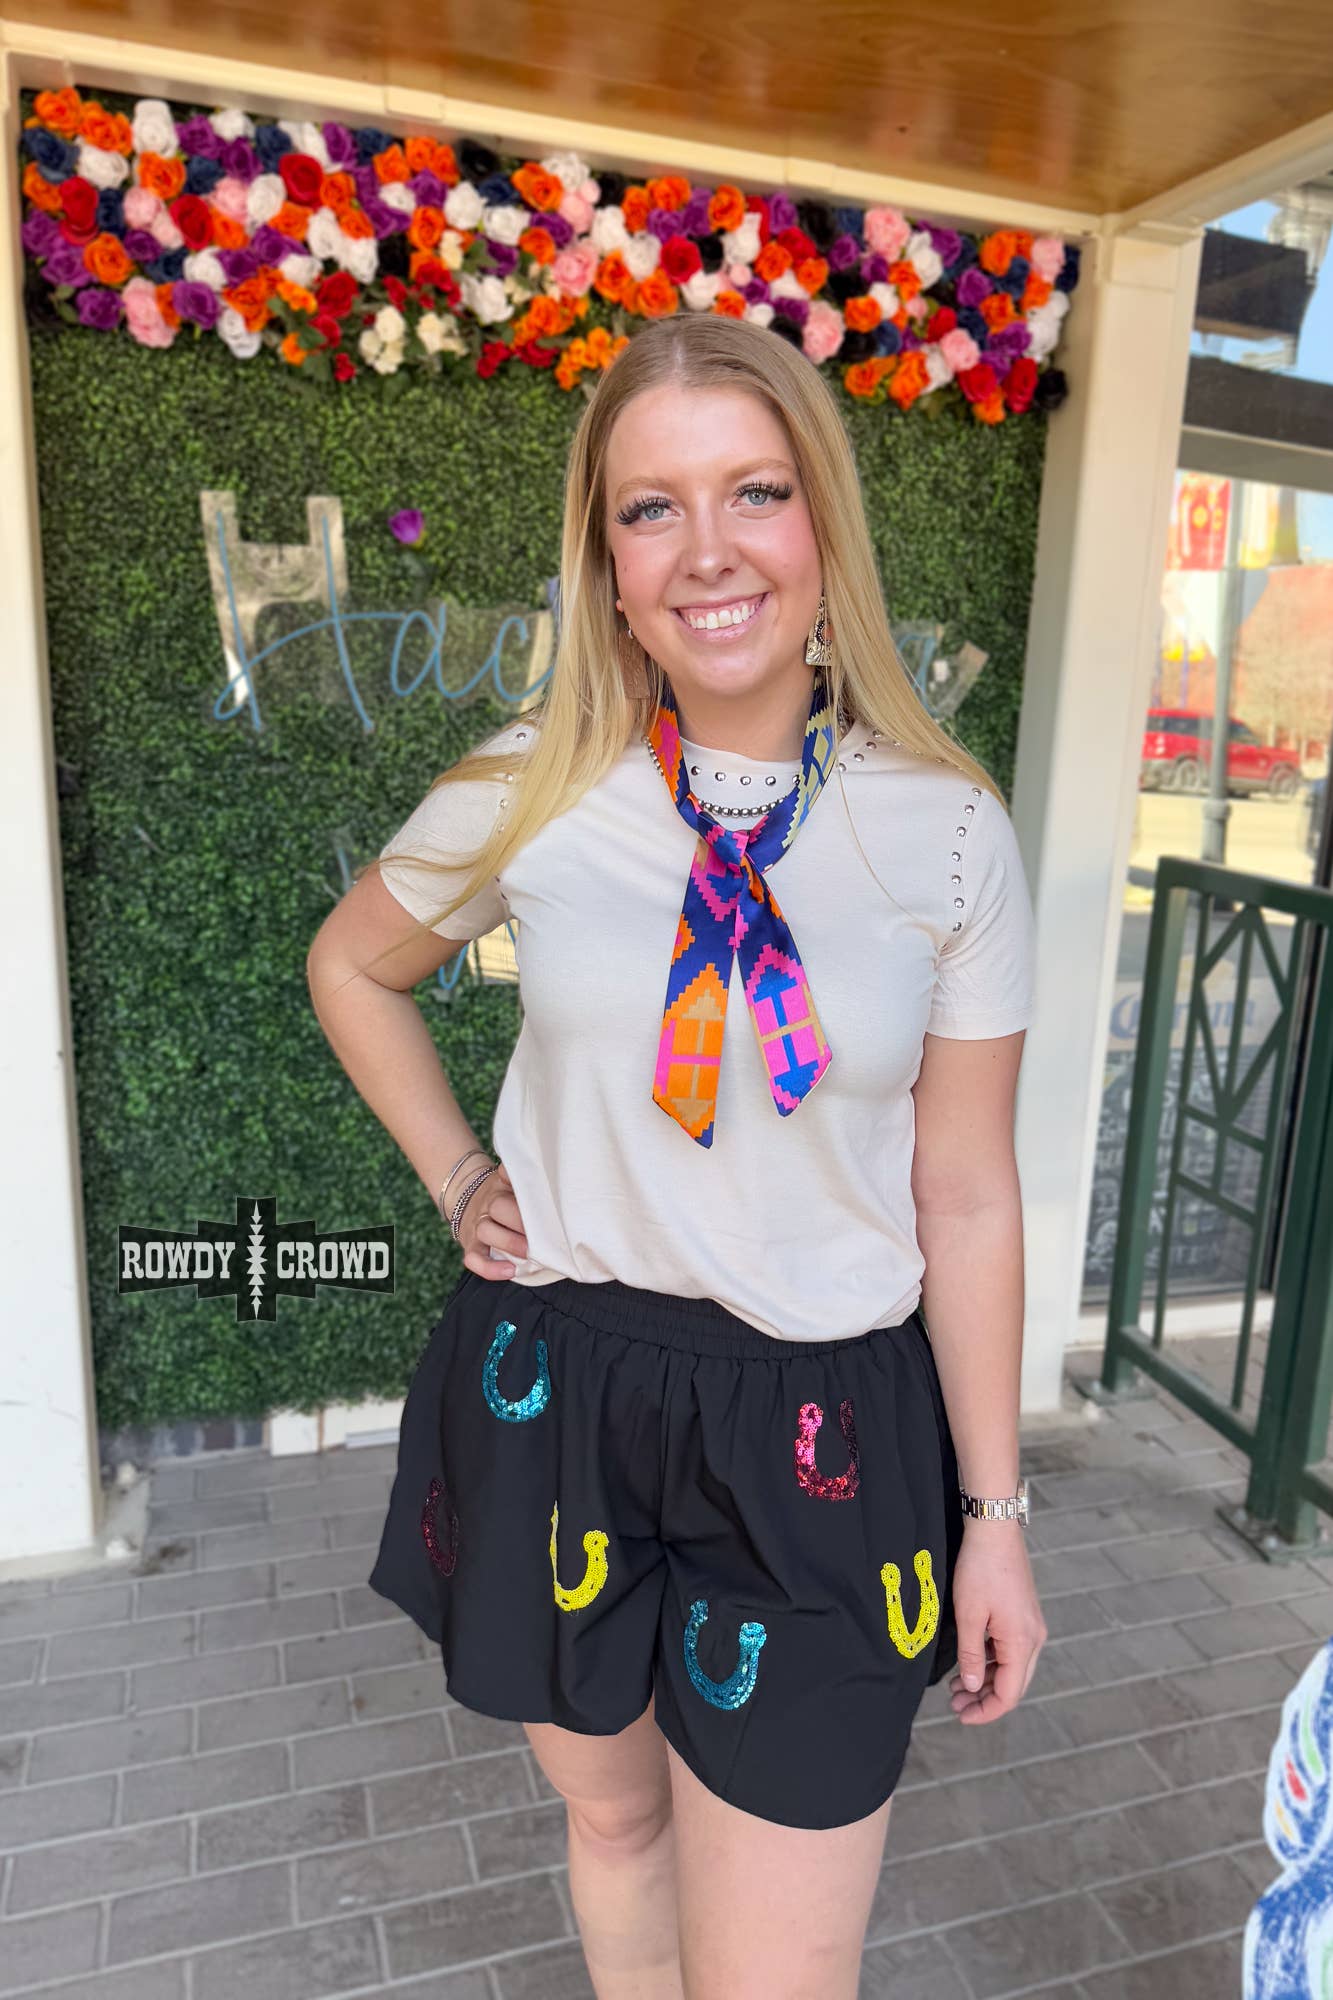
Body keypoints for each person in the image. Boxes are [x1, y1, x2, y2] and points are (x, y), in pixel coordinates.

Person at [307, 311, 1047, 2000]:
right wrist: (453, 1176)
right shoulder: (537, 786)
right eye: (650, 509)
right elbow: (352, 966)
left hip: (827, 1425)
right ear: (607, 564)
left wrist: (994, 1514)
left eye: (754, 492)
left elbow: (967, 1187)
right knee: (619, 1834)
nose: (707, 551)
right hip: (563, 1386)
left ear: (819, 527)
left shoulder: (942, 830)